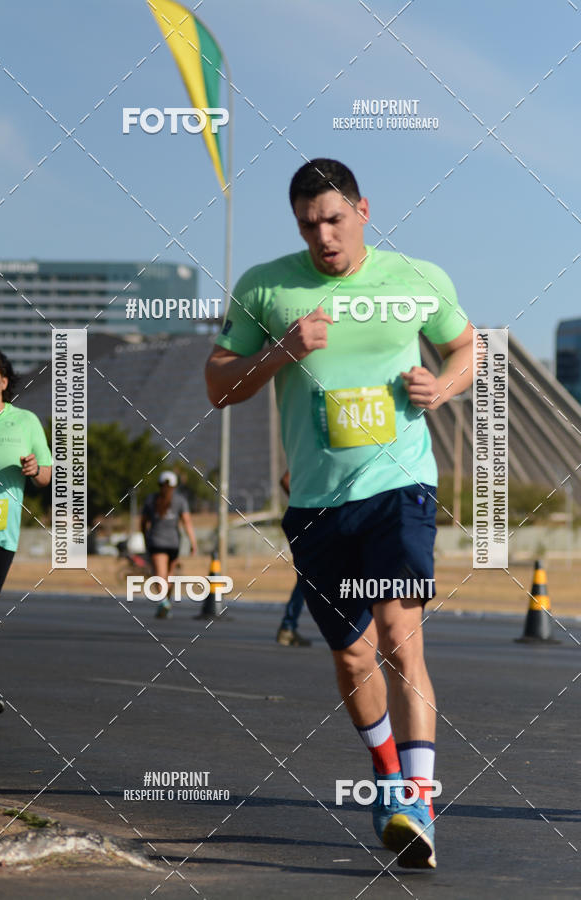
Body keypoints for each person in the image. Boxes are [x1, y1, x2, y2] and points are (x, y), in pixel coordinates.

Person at [205, 159, 474, 869]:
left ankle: (418, 798)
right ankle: (388, 777)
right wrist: (280, 351)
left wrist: (441, 385)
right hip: (318, 502)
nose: (323, 236)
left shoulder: (417, 278)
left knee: (397, 633)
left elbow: (466, 346)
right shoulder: (268, 285)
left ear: (362, 209)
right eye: (308, 224)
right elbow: (218, 387)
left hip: (400, 486)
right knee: (352, 652)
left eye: (333, 218)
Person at [0, 348, 52, 722]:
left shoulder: (25, 422)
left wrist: (33, 467)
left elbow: (46, 476)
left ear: (4, 381)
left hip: (2, 527)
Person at [141, 471, 197, 618]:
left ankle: (164, 601)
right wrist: (193, 542)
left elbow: (143, 522)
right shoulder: (180, 500)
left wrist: (145, 537)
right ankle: (164, 603)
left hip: (156, 541)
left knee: (159, 575)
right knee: (169, 575)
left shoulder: (151, 499)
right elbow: (187, 522)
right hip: (174, 543)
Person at [276, 470, 310, 646]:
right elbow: (285, 479)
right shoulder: (315, 457)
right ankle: (288, 626)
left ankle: (288, 626)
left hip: (302, 517)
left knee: (307, 576)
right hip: (310, 519)